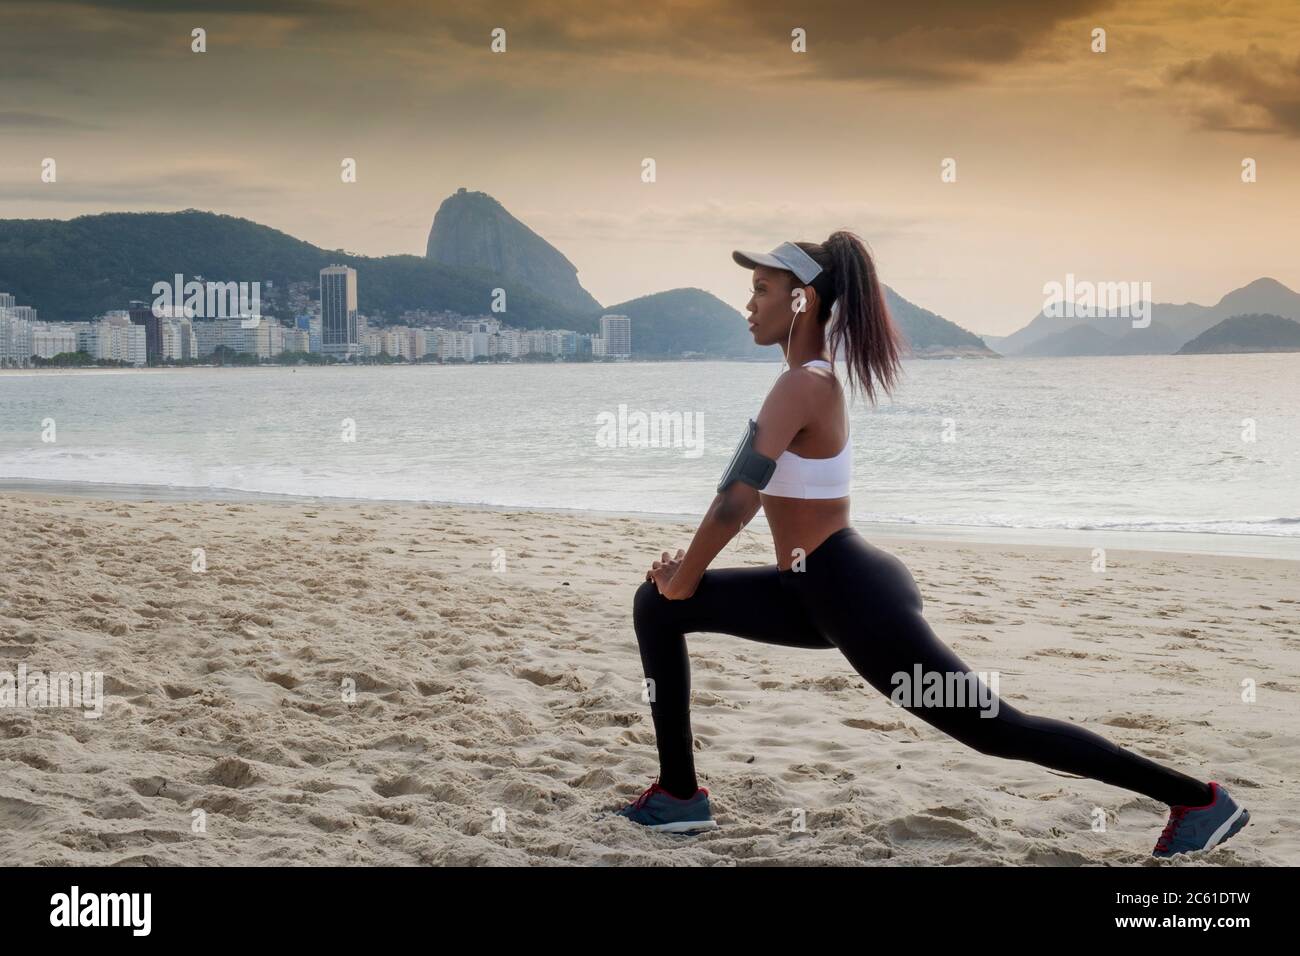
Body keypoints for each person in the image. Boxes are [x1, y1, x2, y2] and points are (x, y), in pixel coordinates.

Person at [614, 232, 1250, 858]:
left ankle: (1197, 800)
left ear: (803, 300)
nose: (748, 304)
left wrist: (688, 571)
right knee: (659, 606)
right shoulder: (800, 383)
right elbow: (737, 489)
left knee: (996, 730)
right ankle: (678, 797)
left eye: (760, 289)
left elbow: (739, 498)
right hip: (806, 589)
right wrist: (681, 576)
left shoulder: (802, 385)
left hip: (850, 592)